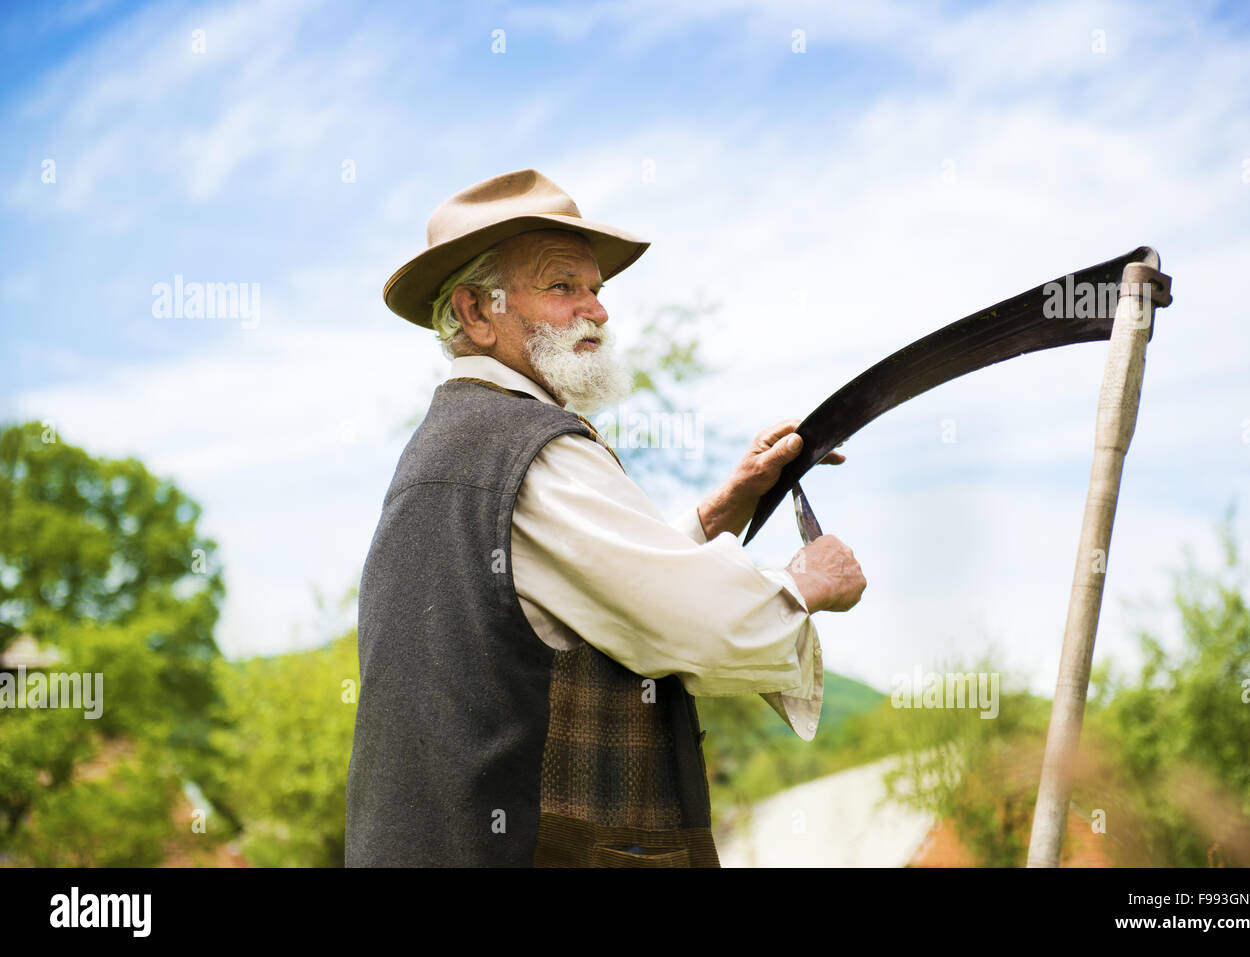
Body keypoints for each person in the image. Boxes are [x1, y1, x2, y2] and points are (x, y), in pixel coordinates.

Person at [345, 168, 866, 867]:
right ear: (475, 311)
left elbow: (581, 583)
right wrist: (805, 584)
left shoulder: (453, 447)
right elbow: (702, 629)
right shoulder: (529, 450)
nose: (597, 310)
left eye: (596, 288)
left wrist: (717, 512)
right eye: (562, 286)